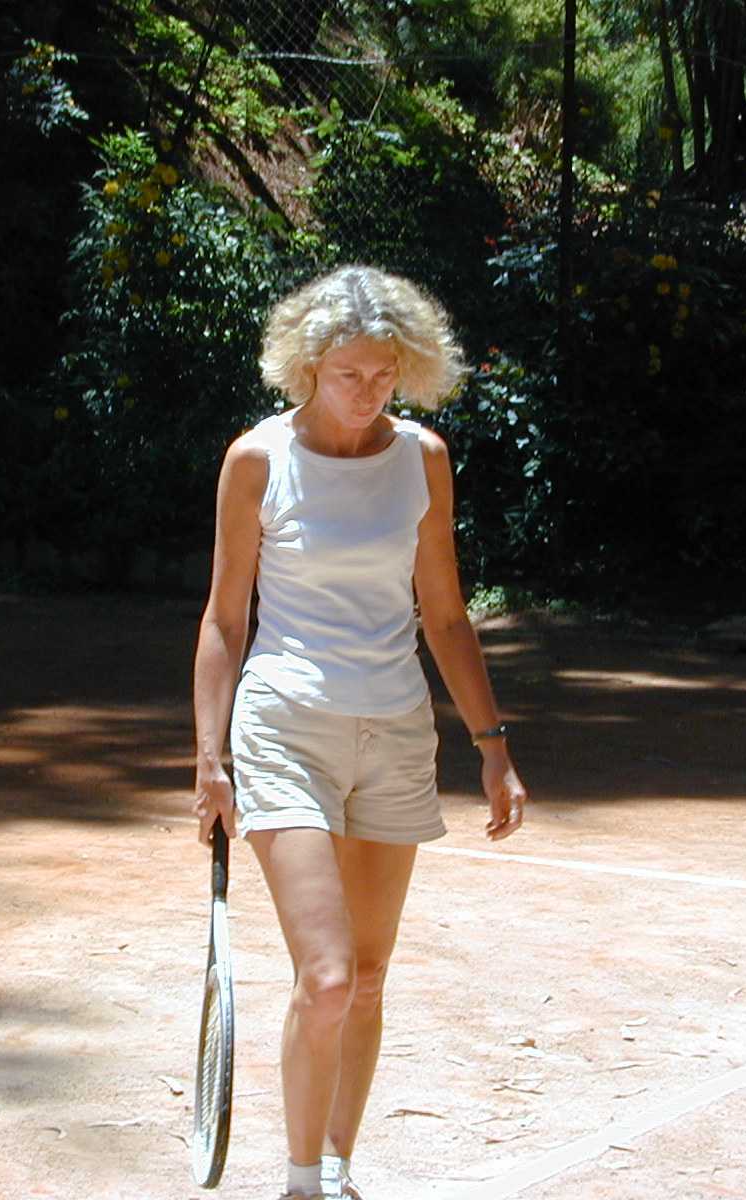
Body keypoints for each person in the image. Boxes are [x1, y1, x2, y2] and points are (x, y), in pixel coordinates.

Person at [191, 264, 529, 1200]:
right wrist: (210, 757)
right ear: (308, 363)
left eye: (386, 374)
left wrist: (493, 747)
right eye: (350, 374)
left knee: (370, 976)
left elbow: (446, 615)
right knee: (329, 977)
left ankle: (336, 1166)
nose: (369, 391)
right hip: (284, 731)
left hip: (395, 734)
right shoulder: (258, 460)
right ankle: (301, 1183)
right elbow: (225, 620)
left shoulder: (423, 458)